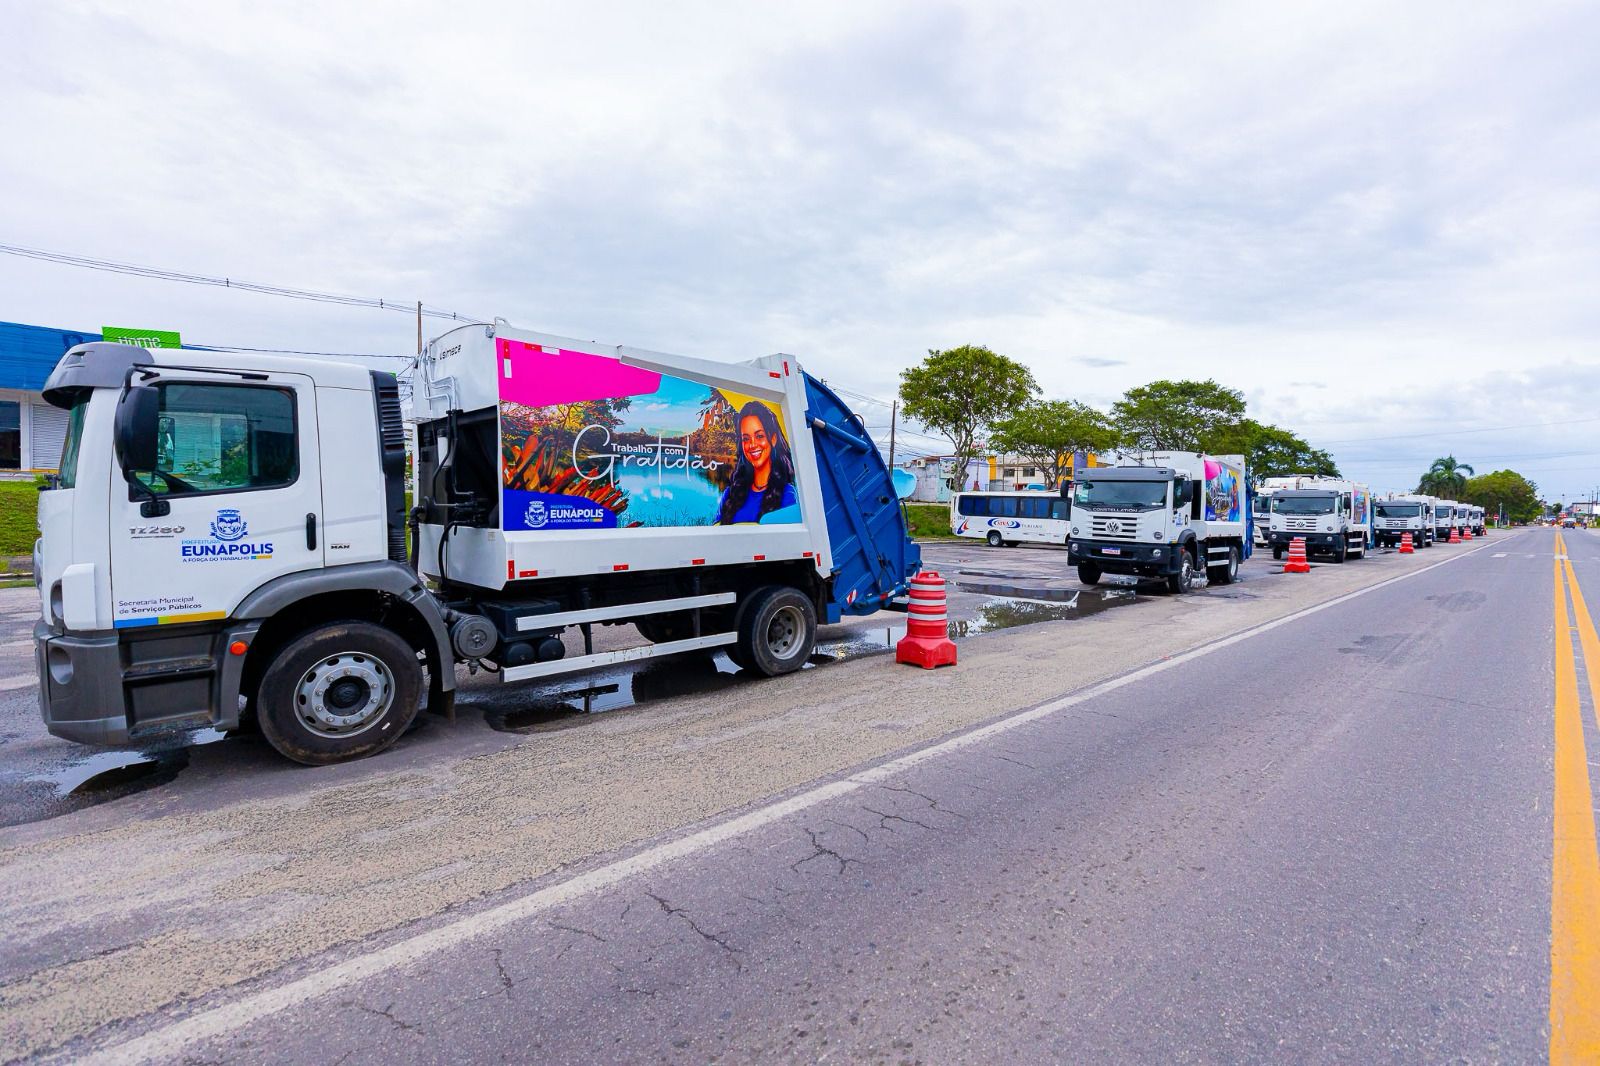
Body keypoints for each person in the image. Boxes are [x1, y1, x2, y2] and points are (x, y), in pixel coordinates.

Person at [716, 401, 797, 524]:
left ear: (773, 439)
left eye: (759, 436)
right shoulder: (730, 494)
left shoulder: (787, 494)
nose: (752, 445)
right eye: (746, 439)